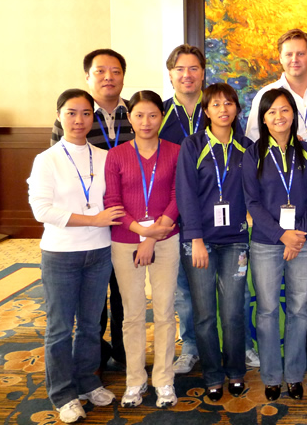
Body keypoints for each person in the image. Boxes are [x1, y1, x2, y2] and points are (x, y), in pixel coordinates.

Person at [28, 89, 124, 423]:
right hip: (61, 254)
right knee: (59, 328)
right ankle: (63, 393)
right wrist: (93, 219)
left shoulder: (105, 157)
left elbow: (115, 199)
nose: (79, 120)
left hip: (99, 252)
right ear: (59, 116)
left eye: (85, 113)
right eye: (71, 113)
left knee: (89, 325)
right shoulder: (47, 159)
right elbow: (42, 210)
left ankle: (87, 382)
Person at [51, 48, 132, 372]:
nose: (108, 77)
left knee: (126, 294)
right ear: (88, 76)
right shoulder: (75, 115)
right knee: (92, 300)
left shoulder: (136, 112)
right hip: (90, 226)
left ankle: (126, 353)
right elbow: (60, 168)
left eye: (115, 71)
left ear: (123, 76)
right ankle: (93, 356)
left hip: (128, 223)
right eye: (100, 71)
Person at [242, 88, 307, 401]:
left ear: (294, 114)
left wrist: (297, 234)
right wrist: (281, 235)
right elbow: (252, 202)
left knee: (299, 310)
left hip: (303, 241)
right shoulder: (253, 154)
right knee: (267, 310)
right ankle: (272, 376)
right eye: (272, 111)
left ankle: (294, 375)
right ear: (263, 118)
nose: (279, 116)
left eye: (285, 110)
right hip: (266, 242)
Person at [176, 83, 253, 401]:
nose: (223, 109)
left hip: (236, 241)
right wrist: (195, 238)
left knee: (233, 311)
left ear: (237, 109)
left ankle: (235, 371)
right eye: (216, 104)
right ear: (206, 111)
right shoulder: (193, 145)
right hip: (200, 241)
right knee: (205, 313)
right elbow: (185, 193)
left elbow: (257, 188)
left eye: (229, 103)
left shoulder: (247, 146)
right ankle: (212, 375)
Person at [104, 90, 181, 408]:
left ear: (161, 117)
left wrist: (151, 237)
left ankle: (164, 379)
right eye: (139, 115)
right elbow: (112, 202)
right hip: (125, 240)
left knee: (164, 311)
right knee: (132, 314)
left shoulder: (175, 151)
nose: (146, 121)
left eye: (152, 115)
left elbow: (178, 195)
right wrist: (141, 231)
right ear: (130, 117)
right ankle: (135, 380)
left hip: (166, 238)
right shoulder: (116, 155)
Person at [158, 44, 208, 374]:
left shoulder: (219, 108)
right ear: (171, 74)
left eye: (193, 68)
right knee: (182, 288)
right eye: (180, 69)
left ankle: (229, 342)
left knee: (221, 283)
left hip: (216, 212)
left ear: (203, 73)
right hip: (172, 213)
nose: (187, 75)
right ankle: (189, 345)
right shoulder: (158, 113)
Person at [245, 29, 307, 141]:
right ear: (280, 58)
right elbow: (253, 140)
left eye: (300, 54)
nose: (294, 60)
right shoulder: (264, 95)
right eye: (289, 54)